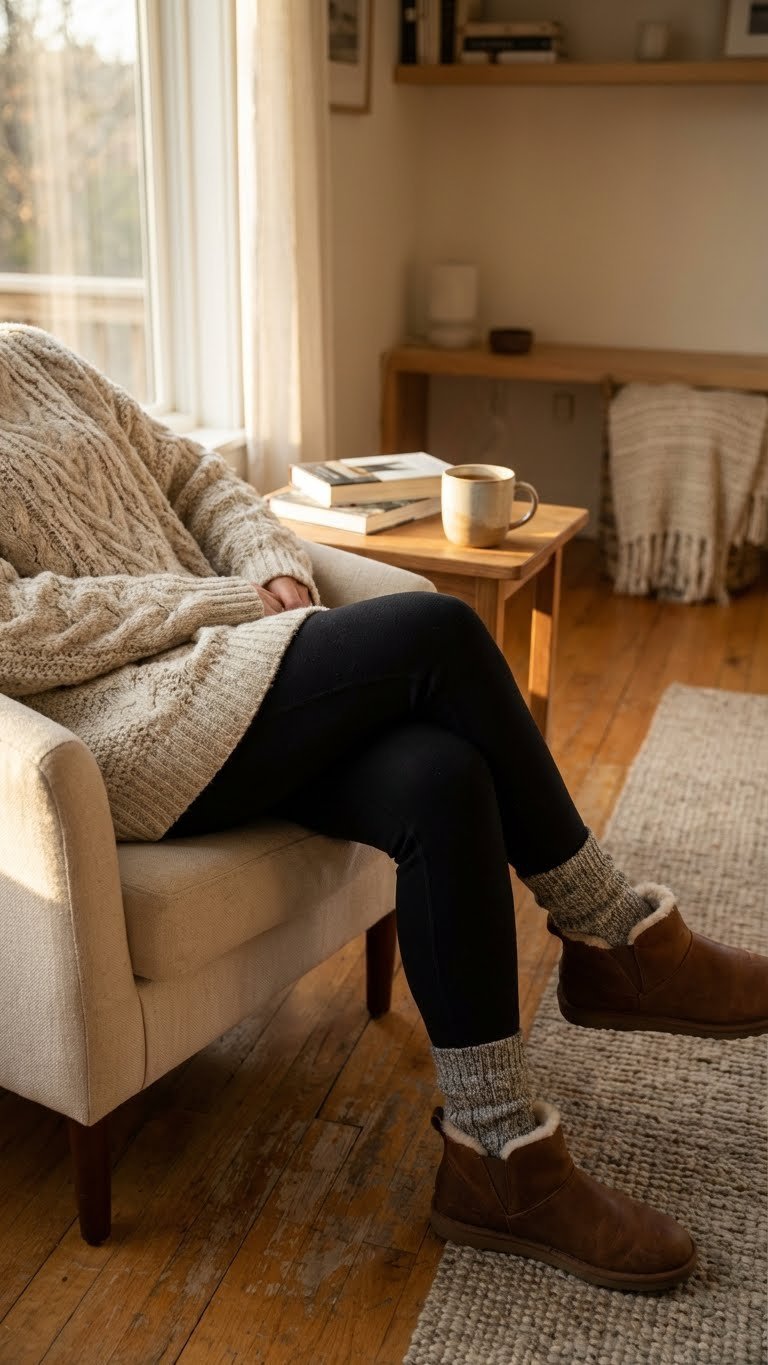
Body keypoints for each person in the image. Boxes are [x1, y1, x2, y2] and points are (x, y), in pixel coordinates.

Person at [1, 325, 766, 1294]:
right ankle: (618, 936)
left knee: (441, 779)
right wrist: (221, 602)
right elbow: (13, 631)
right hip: (127, 725)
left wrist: (271, 560)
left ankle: (497, 1158)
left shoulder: (32, 353)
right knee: (439, 629)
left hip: (227, 667)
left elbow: (194, 476)